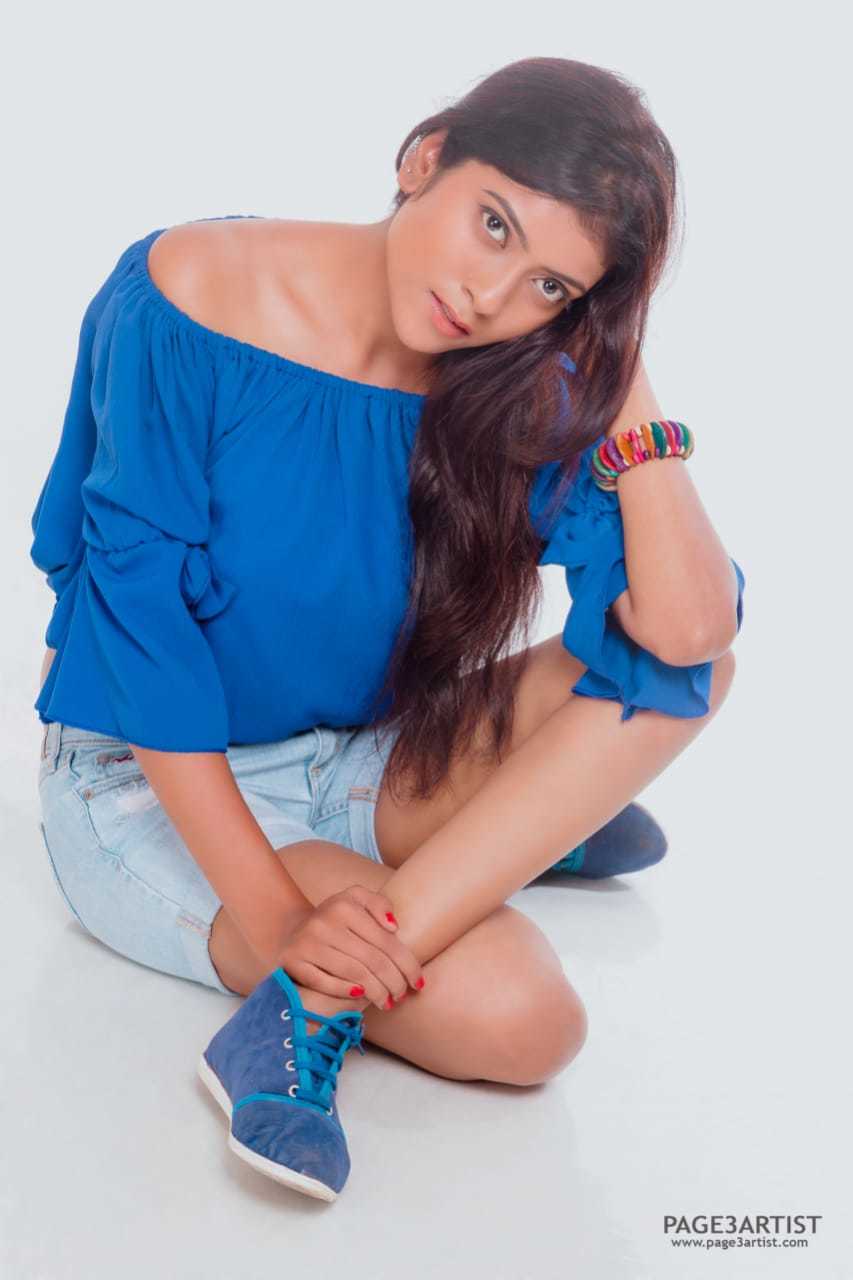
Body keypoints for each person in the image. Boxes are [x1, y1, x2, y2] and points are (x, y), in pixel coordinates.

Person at [30, 56, 744, 1199]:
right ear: (426, 157)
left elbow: (687, 629)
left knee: (686, 672)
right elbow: (139, 641)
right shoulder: (191, 293)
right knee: (527, 1017)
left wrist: (624, 374)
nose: (492, 295)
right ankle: (497, 845)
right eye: (493, 224)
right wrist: (285, 925)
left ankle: (465, 867)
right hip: (149, 780)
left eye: (551, 285)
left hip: (361, 751)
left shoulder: (512, 382)